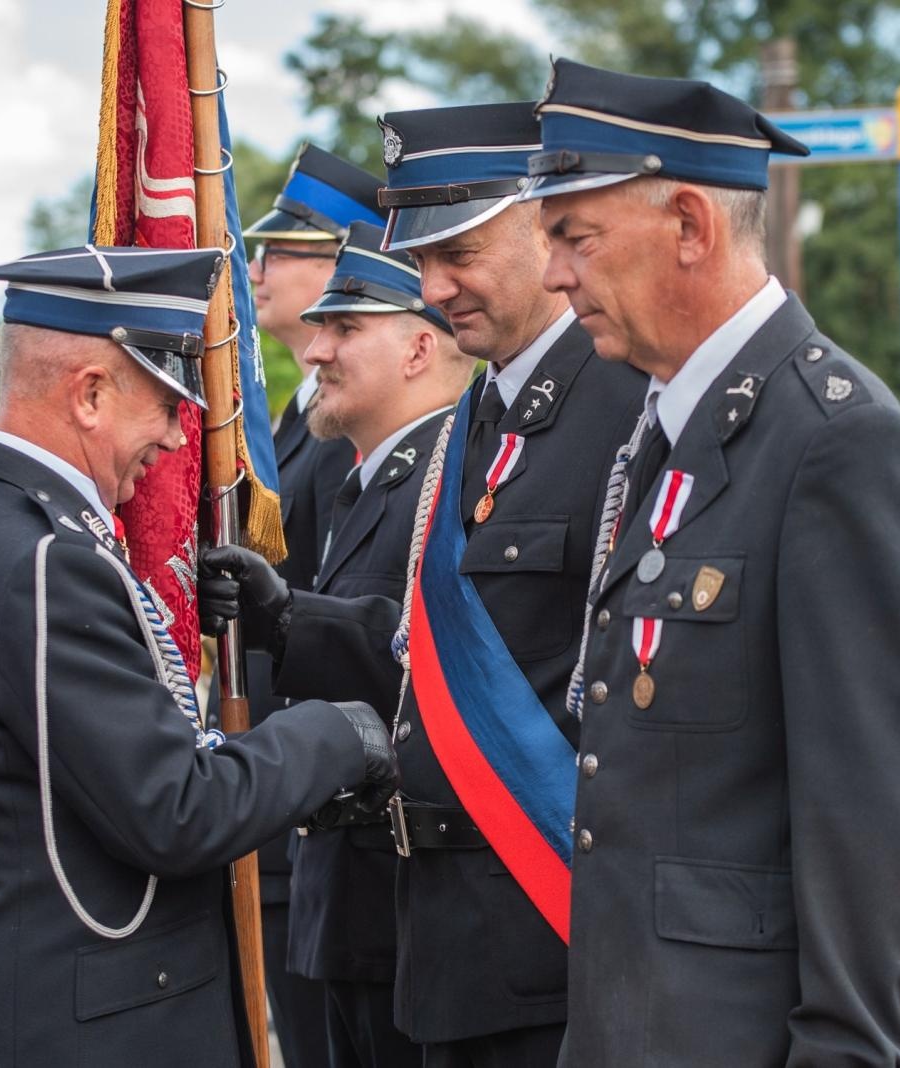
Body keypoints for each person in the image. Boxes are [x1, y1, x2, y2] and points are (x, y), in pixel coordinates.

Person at [520, 59, 900, 1066]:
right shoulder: (667, 424)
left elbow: (880, 827)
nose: (554, 274)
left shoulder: (831, 447)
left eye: (576, 238)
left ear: (690, 224)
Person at [212, 102, 647, 1065]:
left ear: (543, 229)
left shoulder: (625, 405)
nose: (436, 286)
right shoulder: (474, 423)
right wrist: (289, 619)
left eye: (459, 252)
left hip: (548, 929)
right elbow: (430, 652)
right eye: (421, 260)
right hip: (444, 936)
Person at [0, 244, 400, 1066]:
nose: (175, 438)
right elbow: (176, 810)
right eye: (166, 404)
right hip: (82, 1029)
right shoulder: (41, 560)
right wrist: (337, 732)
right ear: (90, 394)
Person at [208, 220, 473, 1068]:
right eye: (321, 325)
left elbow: (423, 655)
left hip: (401, 905)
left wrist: (285, 617)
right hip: (352, 900)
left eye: (345, 328)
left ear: (419, 349)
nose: (315, 350)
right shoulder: (379, 477)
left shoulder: (454, 475)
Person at [238, 142, 378, 1068]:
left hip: (317, 788)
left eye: (276, 251)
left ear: (337, 267)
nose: (253, 269)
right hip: (285, 797)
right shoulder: (298, 418)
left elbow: (335, 610)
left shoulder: (342, 431)